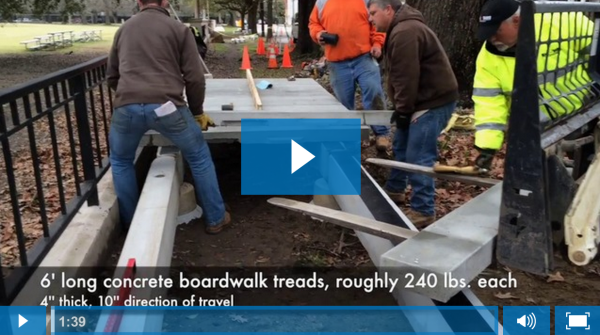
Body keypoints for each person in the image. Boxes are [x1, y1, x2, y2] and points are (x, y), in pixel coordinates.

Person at [106, 0, 230, 234]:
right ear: (165, 2)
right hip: (167, 107)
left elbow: (112, 76)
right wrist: (197, 112)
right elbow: (194, 78)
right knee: (199, 156)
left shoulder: (124, 29)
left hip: (126, 107)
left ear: (138, 2)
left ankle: (132, 226)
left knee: (121, 161)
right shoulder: (178, 29)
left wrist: (132, 97)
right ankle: (216, 218)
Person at [470, 0, 594, 172]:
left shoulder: (563, 23)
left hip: (582, 113)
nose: (492, 38)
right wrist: (487, 148)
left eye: (497, 31)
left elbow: (596, 48)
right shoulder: (488, 59)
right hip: (535, 127)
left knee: (588, 168)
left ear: (517, 21)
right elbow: (489, 103)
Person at [367, 0, 459, 228]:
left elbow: (406, 77)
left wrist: (404, 111)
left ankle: (423, 210)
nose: (371, 19)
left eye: (373, 13)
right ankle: (396, 189)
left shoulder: (406, 32)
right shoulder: (401, 28)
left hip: (431, 102)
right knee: (401, 144)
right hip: (420, 99)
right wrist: (403, 110)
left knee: (419, 156)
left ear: (388, 9)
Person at [309, 0, 391, 152]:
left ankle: (382, 133)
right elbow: (314, 24)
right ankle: (349, 137)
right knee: (343, 102)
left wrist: (377, 44)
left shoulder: (366, 1)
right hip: (337, 62)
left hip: (364, 57)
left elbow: (377, 23)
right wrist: (319, 34)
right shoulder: (322, 2)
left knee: (374, 92)